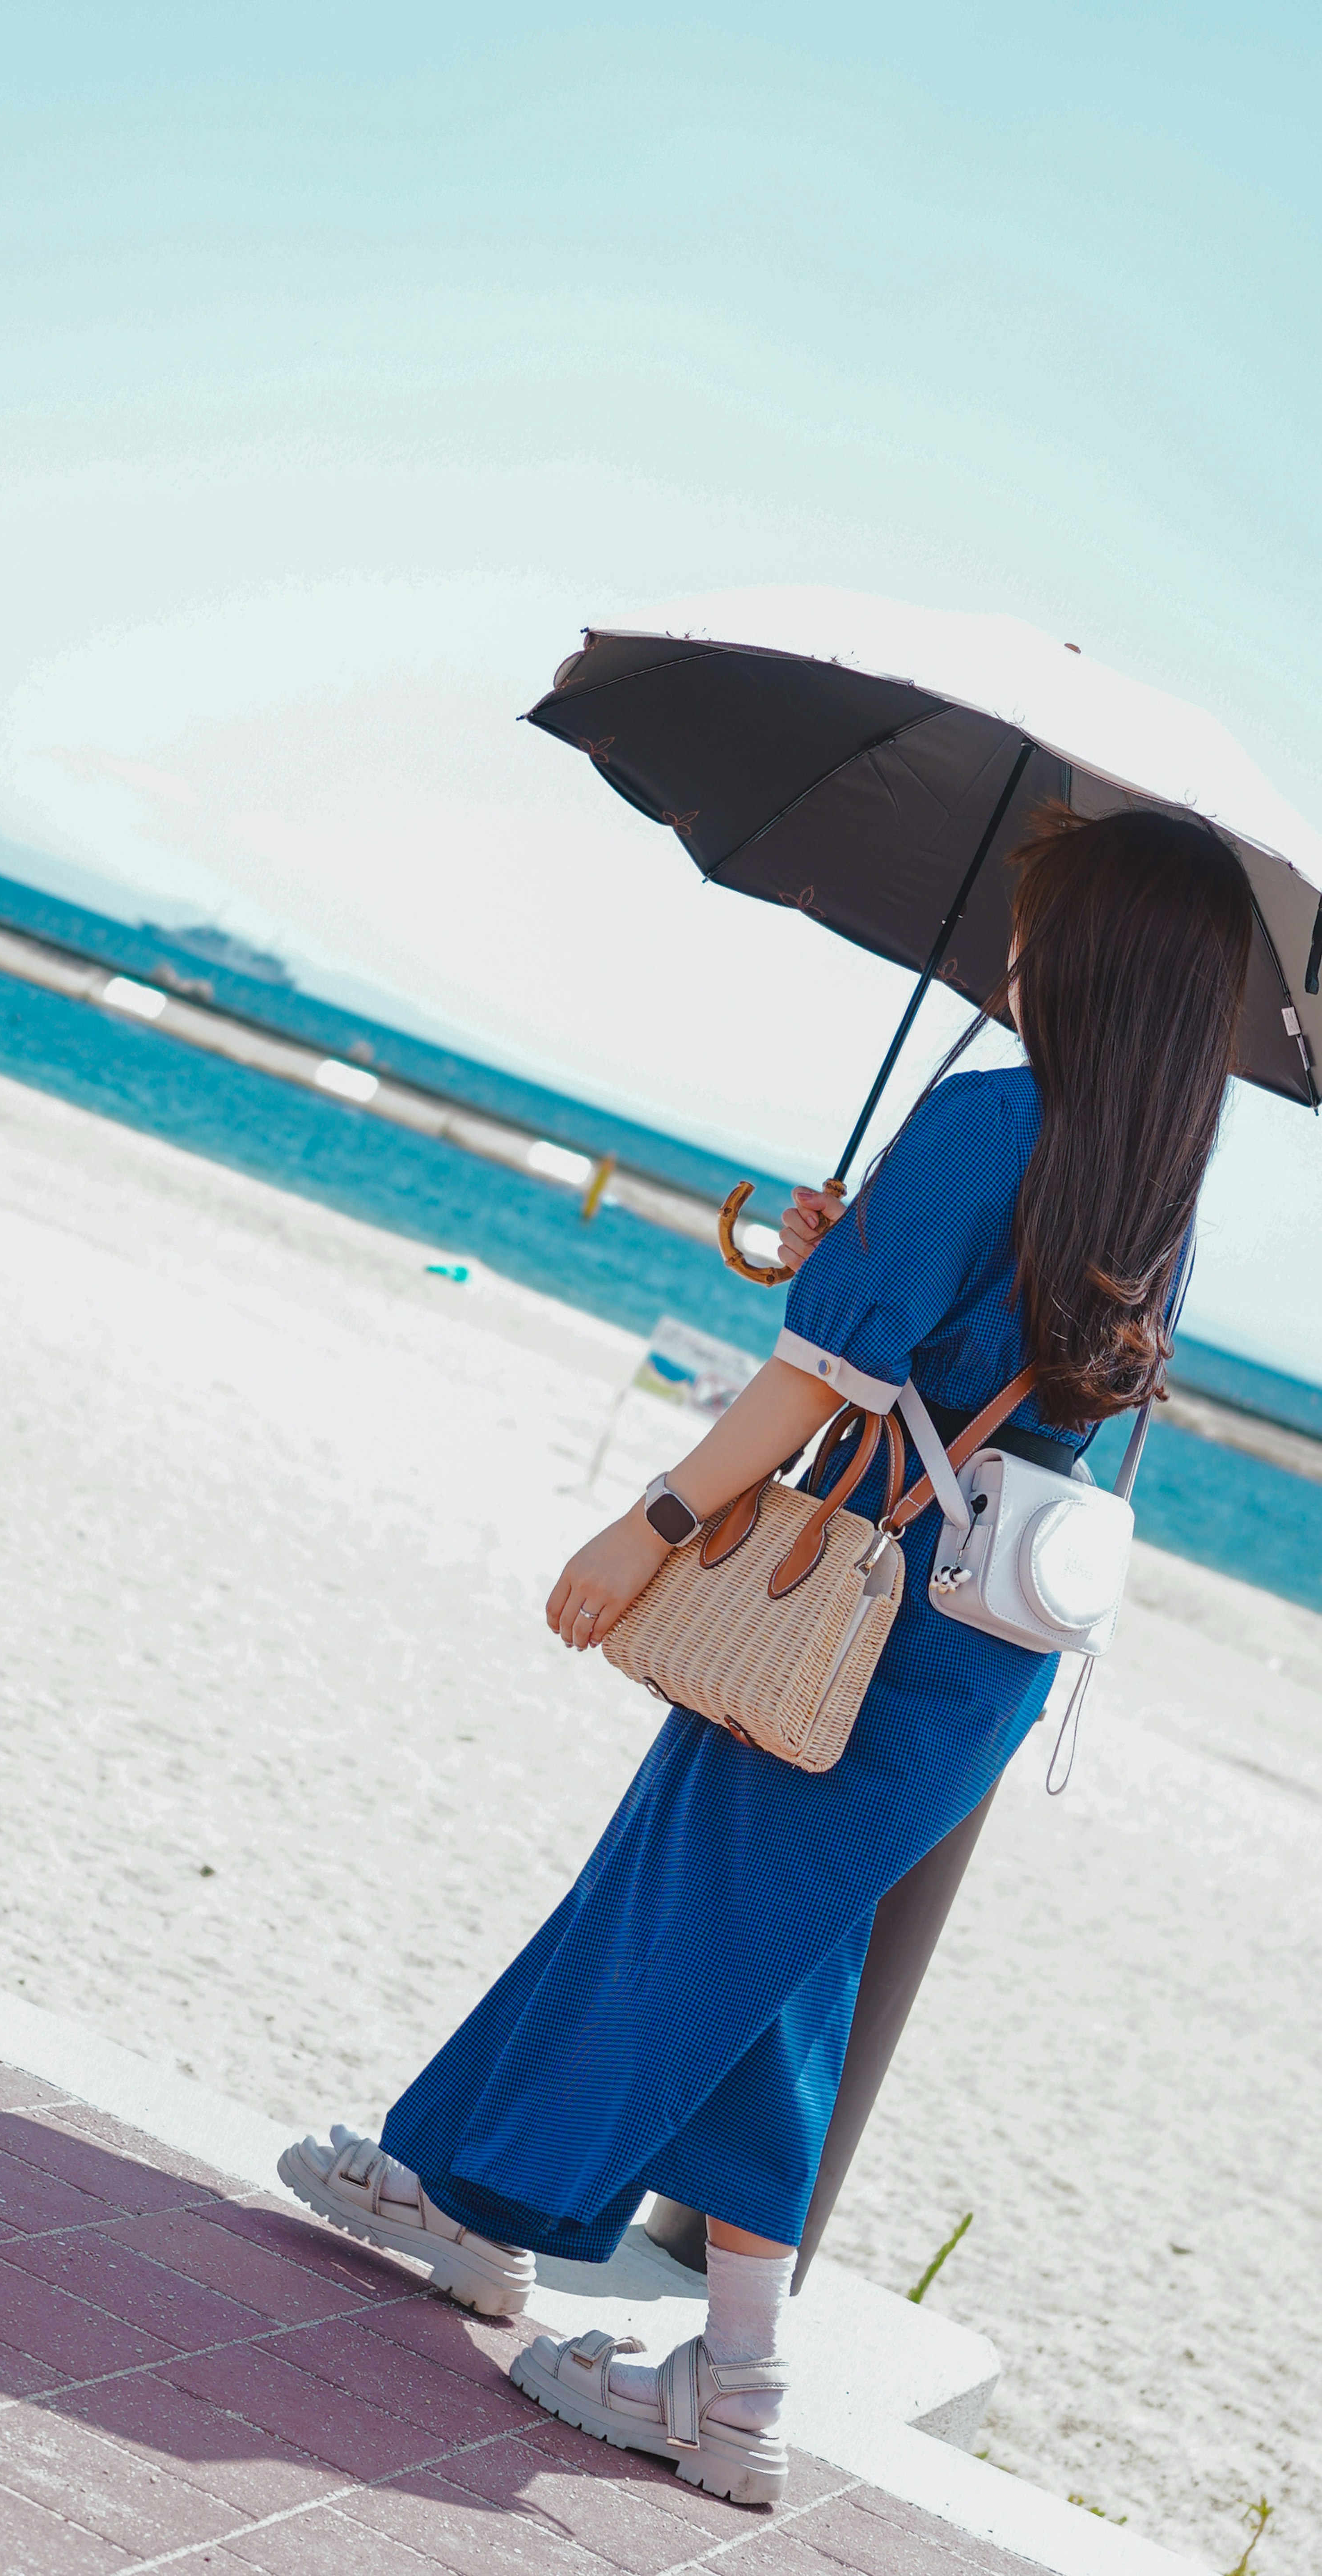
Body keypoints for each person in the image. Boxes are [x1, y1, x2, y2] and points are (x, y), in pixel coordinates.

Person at [280, 803, 1253, 2507]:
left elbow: (818, 1385)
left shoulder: (988, 1120)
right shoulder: (1145, 1182)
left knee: (693, 1918)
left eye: (1038, 927)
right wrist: (856, 1257)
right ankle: (513, 2229)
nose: (1009, 955)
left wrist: (647, 1526)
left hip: (851, 1597)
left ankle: (673, 2341)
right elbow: (973, 1353)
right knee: (762, 1953)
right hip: (969, 1644)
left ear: (1086, 958)